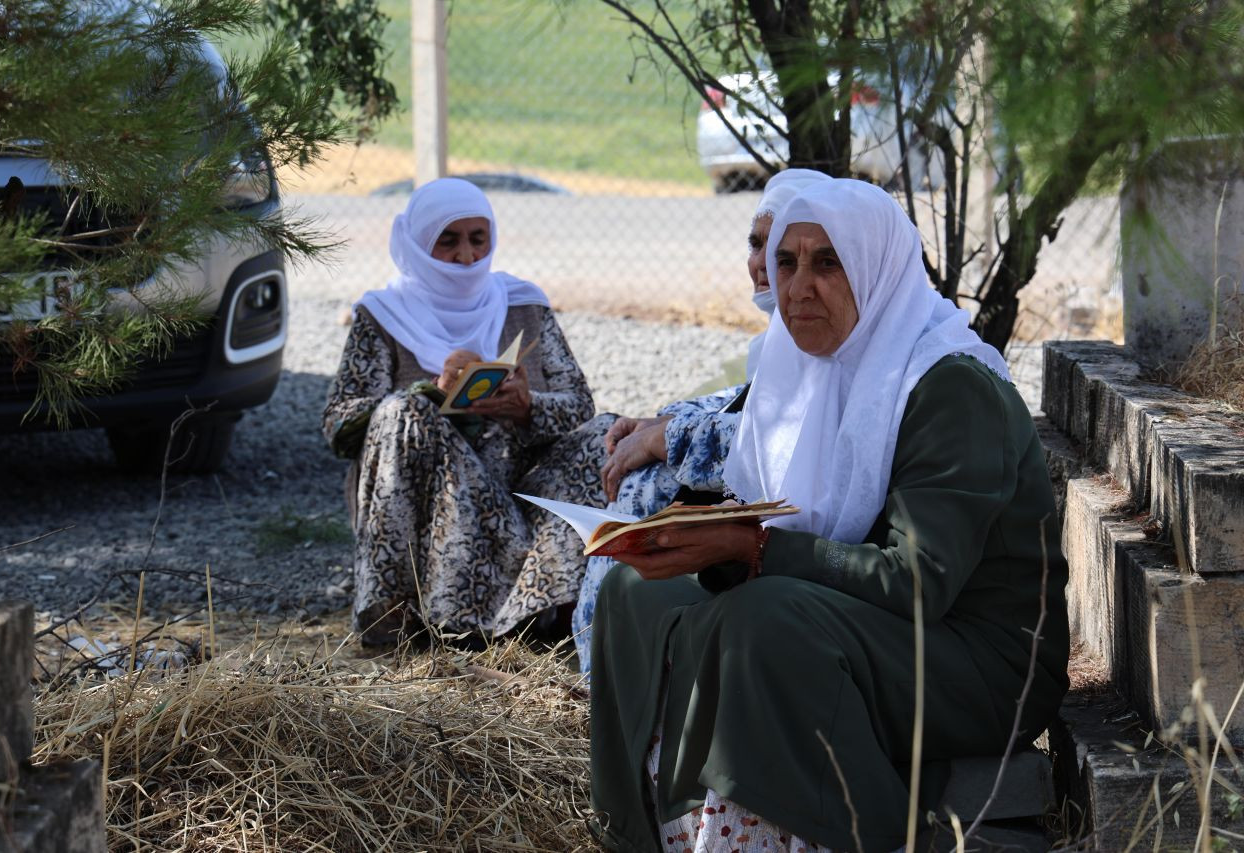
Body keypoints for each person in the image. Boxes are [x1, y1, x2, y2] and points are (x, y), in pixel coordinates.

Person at [588, 179, 1069, 852]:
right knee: (635, 593)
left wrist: (753, 551)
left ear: (874, 268)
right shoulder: (803, 368)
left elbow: (918, 580)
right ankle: (652, 830)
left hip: (980, 661)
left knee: (761, 619)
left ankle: (854, 831)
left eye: (827, 263)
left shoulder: (949, 384)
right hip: (859, 618)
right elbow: (784, 520)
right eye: (786, 262)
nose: (799, 288)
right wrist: (700, 537)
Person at [321, 177, 610, 646]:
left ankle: (553, 612)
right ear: (416, 244)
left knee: (609, 433)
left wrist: (526, 407)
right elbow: (339, 422)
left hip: (520, 489)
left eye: (479, 240)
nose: (466, 257)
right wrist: (430, 396)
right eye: (448, 241)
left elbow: (580, 405)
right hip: (435, 499)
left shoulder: (525, 305)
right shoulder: (382, 314)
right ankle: (412, 619)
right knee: (401, 413)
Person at [572, 169, 830, 674]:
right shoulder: (778, 341)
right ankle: (598, 661)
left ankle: (607, 674)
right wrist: (659, 422)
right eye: (759, 246)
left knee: (645, 483)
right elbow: (747, 399)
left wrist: (663, 437)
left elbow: (776, 434)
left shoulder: (834, 335)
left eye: (780, 249)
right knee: (603, 439)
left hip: (805, 541)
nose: (761, 264)